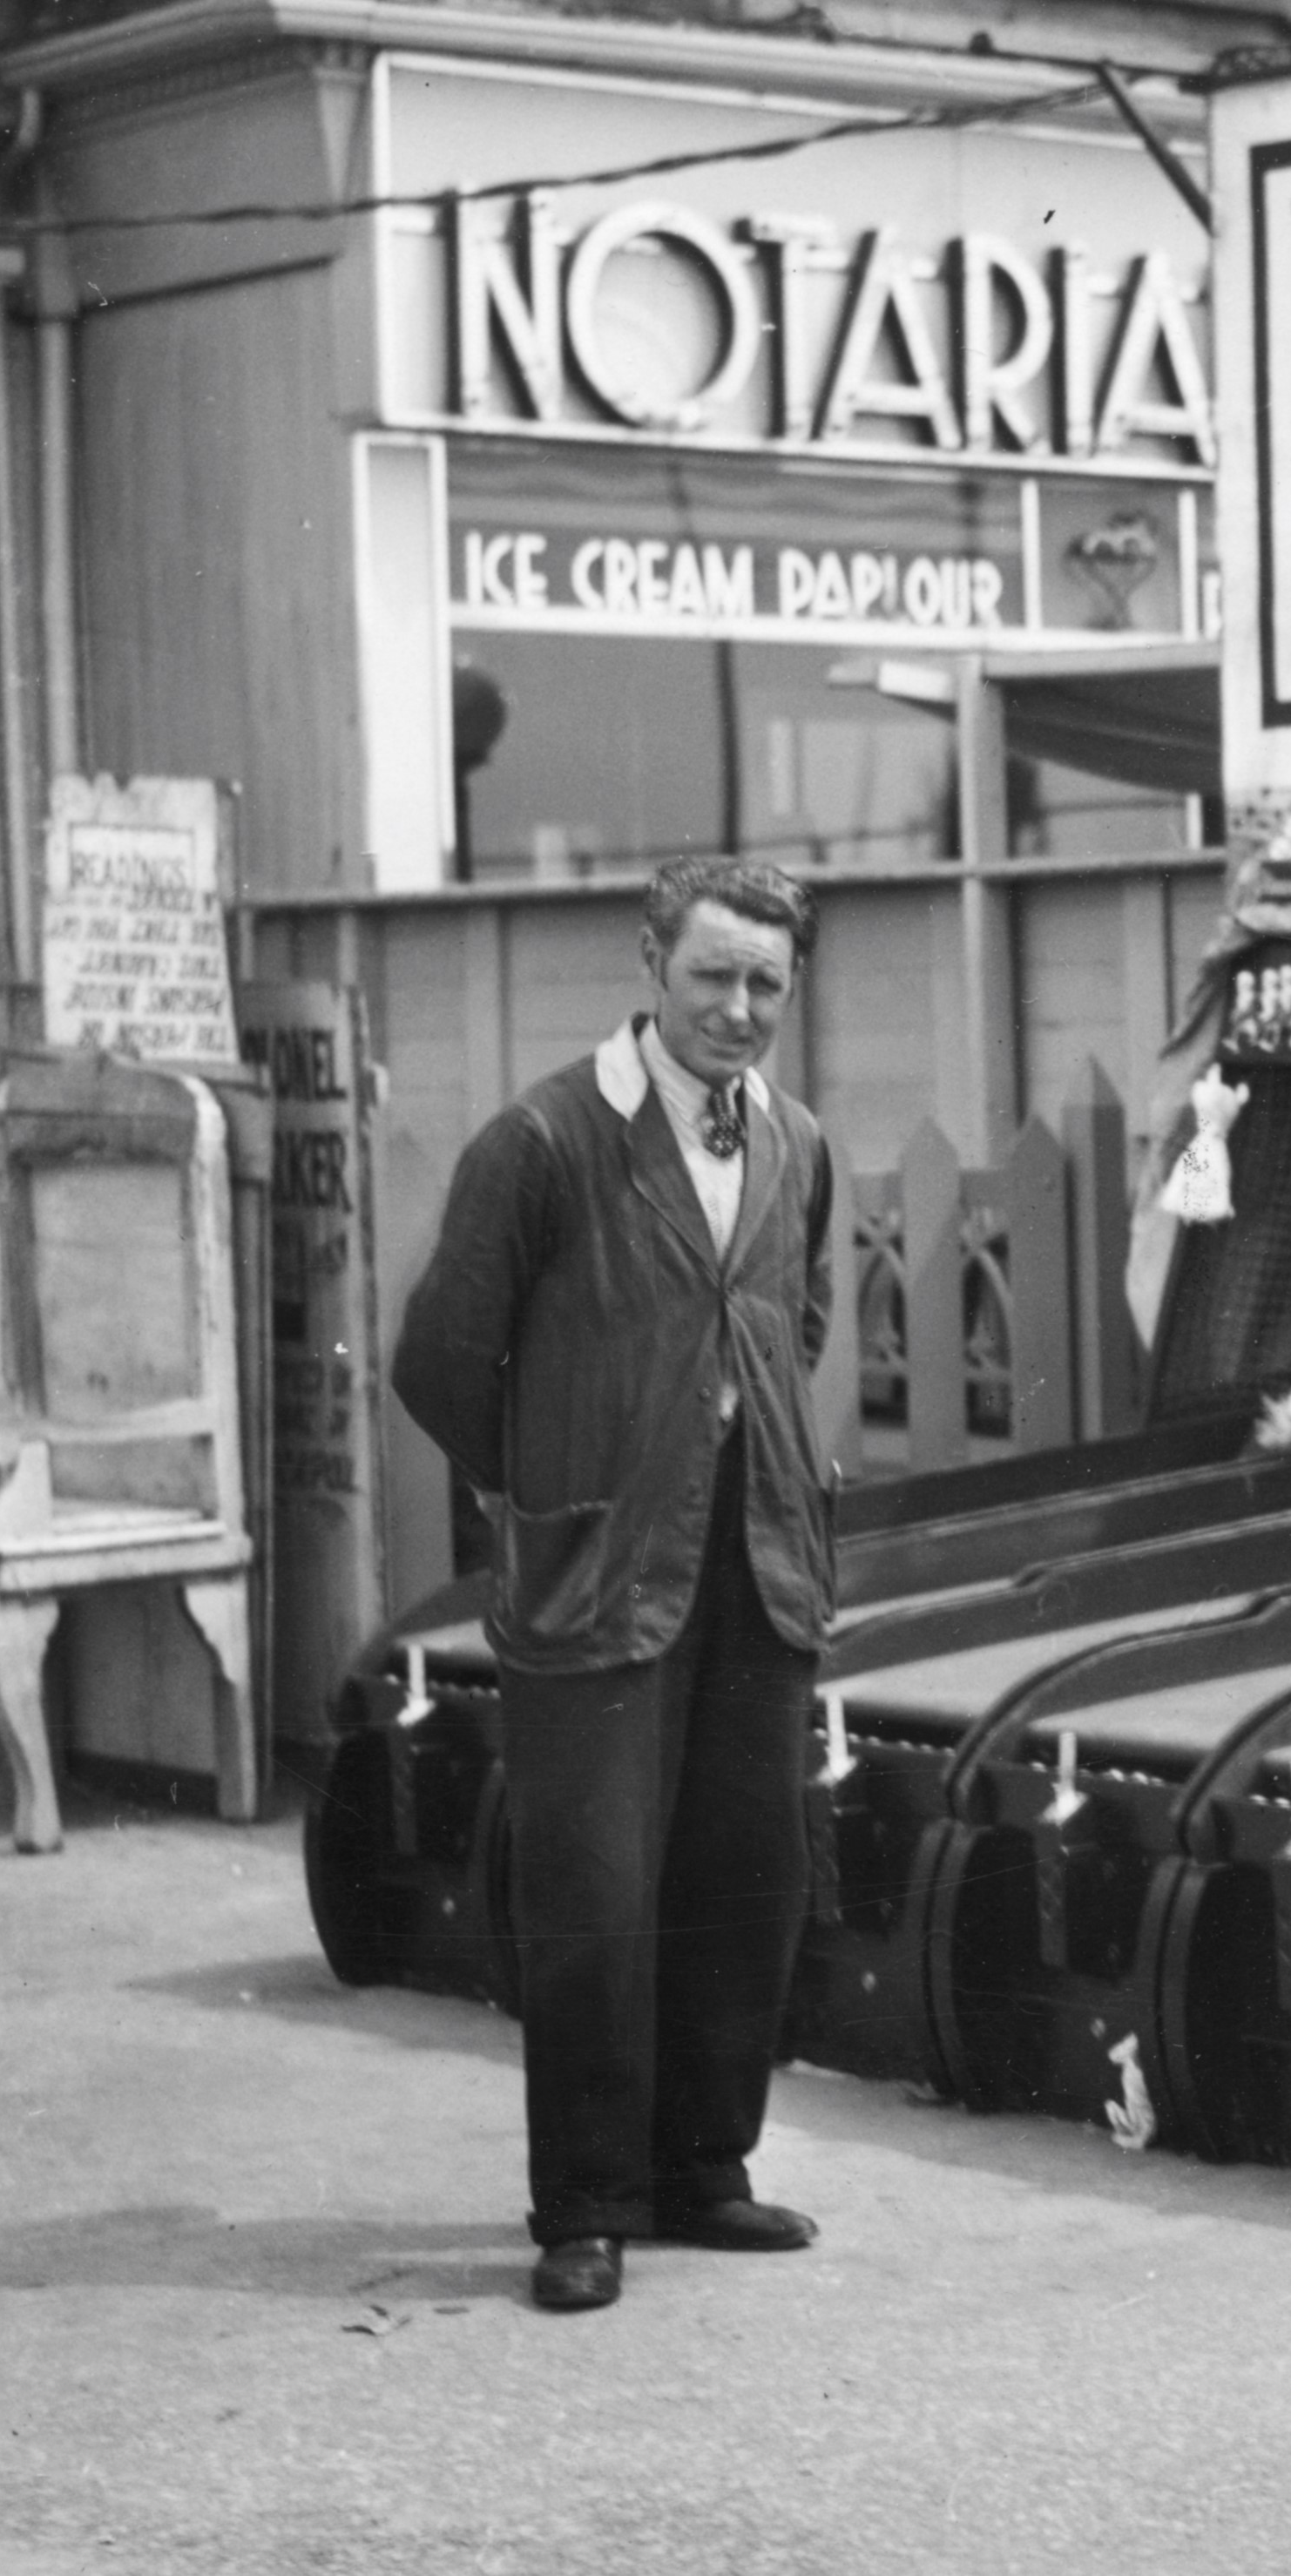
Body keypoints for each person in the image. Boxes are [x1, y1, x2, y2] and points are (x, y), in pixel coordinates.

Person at [393, 854, 840, 2316]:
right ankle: (585, 2202)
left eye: (766, 982)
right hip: (595, 1572)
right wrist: (559, 1482)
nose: (738, 1007)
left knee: (742, 1876)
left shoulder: (799, 1142)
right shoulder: (543, 1140)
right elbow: (443, 1359)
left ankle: (702, 2168)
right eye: (712, 973)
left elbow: (797, 1319)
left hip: (755, 1564)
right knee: (591, 1892)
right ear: (651, 961)